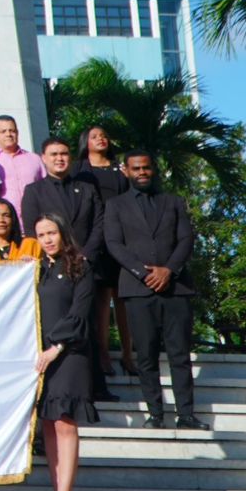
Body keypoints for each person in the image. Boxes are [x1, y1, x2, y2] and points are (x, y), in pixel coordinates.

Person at [103, 151, 207, 430]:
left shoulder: (172, 202)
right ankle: (156, 414)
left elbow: (186, 238)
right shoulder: (115, 206)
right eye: (136, 168)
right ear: (126, 170)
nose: (142, 172)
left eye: (146, 168)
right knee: (146, 356)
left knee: (179, 355)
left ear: (154, 169)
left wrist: (168, 270)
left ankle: (186, 415)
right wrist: (143, 272)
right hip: (137, 290)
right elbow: (114, 244)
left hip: (176, 289)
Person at [22, 136, 111, 398]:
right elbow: (31, 230)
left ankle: (97, 387)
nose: (59, 158)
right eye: (53, 154)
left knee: (89, 323)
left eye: (64, 153)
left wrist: (84, 256)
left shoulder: (86, 189)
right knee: (61, 324)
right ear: (43, 158)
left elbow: (99, 224)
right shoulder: (34, 191)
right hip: (53, 269)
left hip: (83, 265)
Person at [32, 212, 100, 491]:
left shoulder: (80, 266)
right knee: (48, 422)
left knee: (64, 422)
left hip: (70, 352)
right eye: (41, 234)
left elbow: (81, 313)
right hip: (39, 353)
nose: (47, 239)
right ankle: (56, 489)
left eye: (51, 233)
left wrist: (56, 347)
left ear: (63, 233)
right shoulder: (36, 269)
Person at [76, 125, 131, 378]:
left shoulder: (120, 169)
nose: (101, 139)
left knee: (124, 298)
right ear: (85, 141)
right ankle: (104, 354)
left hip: (122, 236)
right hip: (96, 238)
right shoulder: (80, 170)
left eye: (104, 135)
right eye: (95, 136)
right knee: (101, 300)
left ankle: (129, 355)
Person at [0, 115, 46, 220]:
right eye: (3, 131)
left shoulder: (34, 159)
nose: (8, 134)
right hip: (5, 223)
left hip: (35, 220)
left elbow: (45, 190)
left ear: (17, 133)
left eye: (12, 131)